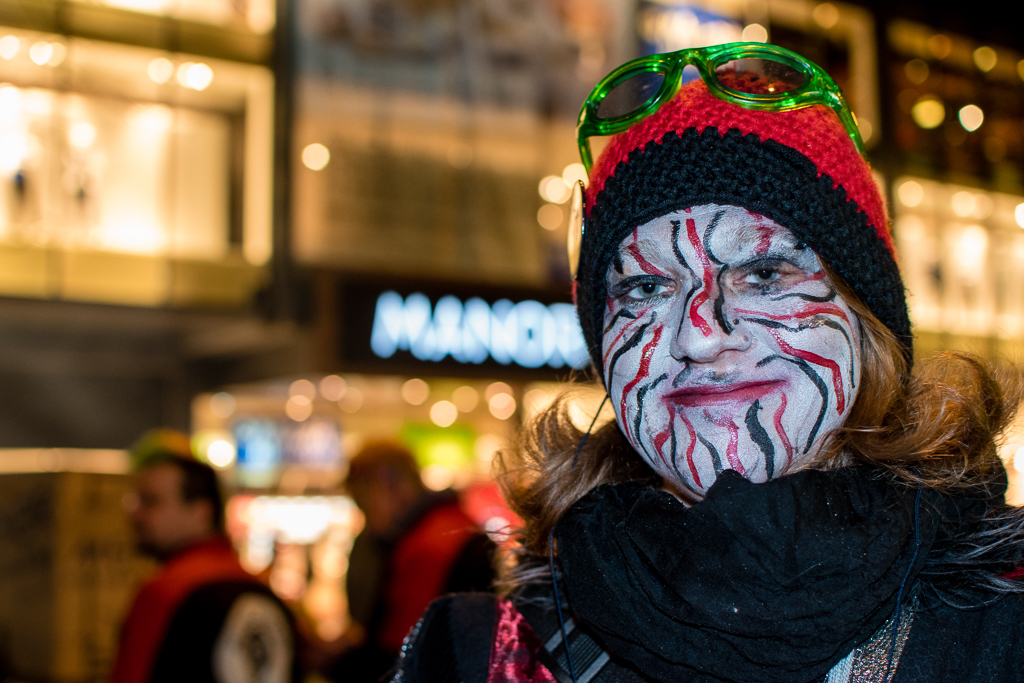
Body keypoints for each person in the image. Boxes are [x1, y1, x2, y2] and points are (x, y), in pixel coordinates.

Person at [390, 43, 1024, 682]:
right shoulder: (485, 656)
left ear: (867, 321)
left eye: (763, 272)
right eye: (645, 288)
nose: (698, 334)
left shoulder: (1005, 625)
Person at [110, 430, 300, 683]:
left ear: (201, 512)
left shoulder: (165, 593)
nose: (135, 514)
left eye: (150, 502)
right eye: (134, 501)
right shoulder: (264, 592)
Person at [329, 441, 495, 682]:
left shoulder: (428, 547)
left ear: (389, 486)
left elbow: (401, 652)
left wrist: (338, 662)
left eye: (363, 502)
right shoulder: (451, 528)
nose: (366, 519)